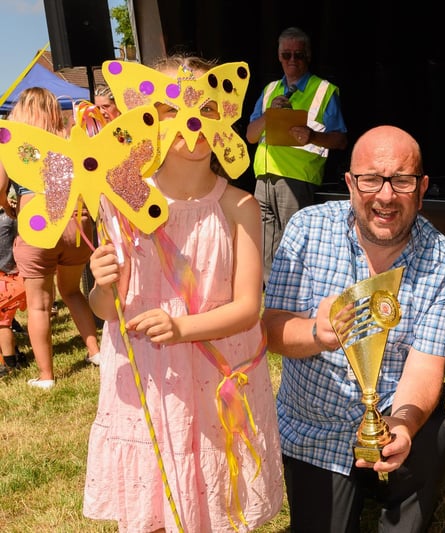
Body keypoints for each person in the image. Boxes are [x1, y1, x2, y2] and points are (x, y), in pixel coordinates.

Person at [83, 54, 283, 532]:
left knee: (215, 501)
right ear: (145, 118)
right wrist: (101, 278)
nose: (190, 124)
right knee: (156, 501)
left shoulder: (239, 206)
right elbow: (108, 310)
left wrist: (180, 327)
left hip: (216, 376)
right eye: (170, 109)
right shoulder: (122, 199)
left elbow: (247, 308)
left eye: (207, 109)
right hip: (148, 379)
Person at [262, 125, 445, 532]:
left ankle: (401, 494)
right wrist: (316, 335)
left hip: (391, 410)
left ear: (423, 187)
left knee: (434, 438)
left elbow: (426, 368)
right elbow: (271, 330)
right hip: (313, 427)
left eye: (402, 180)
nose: (386, 195)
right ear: (350, 184)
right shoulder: (306, 229)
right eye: (371, 179)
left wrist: (404, 427)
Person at [0, 87, 101, 390]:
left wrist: (9, 207)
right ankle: (96, 353)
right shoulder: (67, 135)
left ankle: (46, 376)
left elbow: (0, 187)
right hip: (75, 223)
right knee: (72, 291)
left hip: (37, 223)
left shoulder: (12, 141)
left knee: (40, 306)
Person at [245, 26, 348, 286]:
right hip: (264, 178)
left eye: (298, 55)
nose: (292, 60)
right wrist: (269, 115)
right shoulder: (270, 90)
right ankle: (272, 303)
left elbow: (341, 139)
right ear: (278, 56)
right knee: (265, 246)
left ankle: (294, 301)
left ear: (308, 56)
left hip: (297, 179)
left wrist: (313, 136)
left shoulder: (324, 90)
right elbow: (251, 136)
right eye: (286, 55)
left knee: (294, 245)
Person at [0, 186, 26, 376]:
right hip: (18, 276)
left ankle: (10, 364)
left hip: (7, 279)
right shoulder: (14, 212)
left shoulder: (6, 216)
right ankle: (12, 356)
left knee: (2, 324)